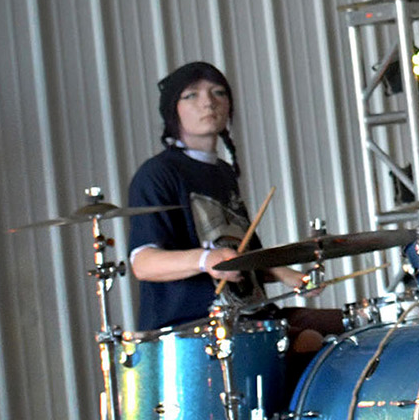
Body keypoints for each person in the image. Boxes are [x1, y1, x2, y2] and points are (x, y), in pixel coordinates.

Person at [125, 62, 338, 345]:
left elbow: (242, 256)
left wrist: (292, 277)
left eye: (218, 93)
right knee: (308, 341)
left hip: (249, 314)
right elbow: (143, 263)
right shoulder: (158, 174)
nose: (208, 103)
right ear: (172, 110)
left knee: (346, 325)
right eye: (192, 95)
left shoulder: (223, 173)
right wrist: (205, 260)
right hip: (195, 328)